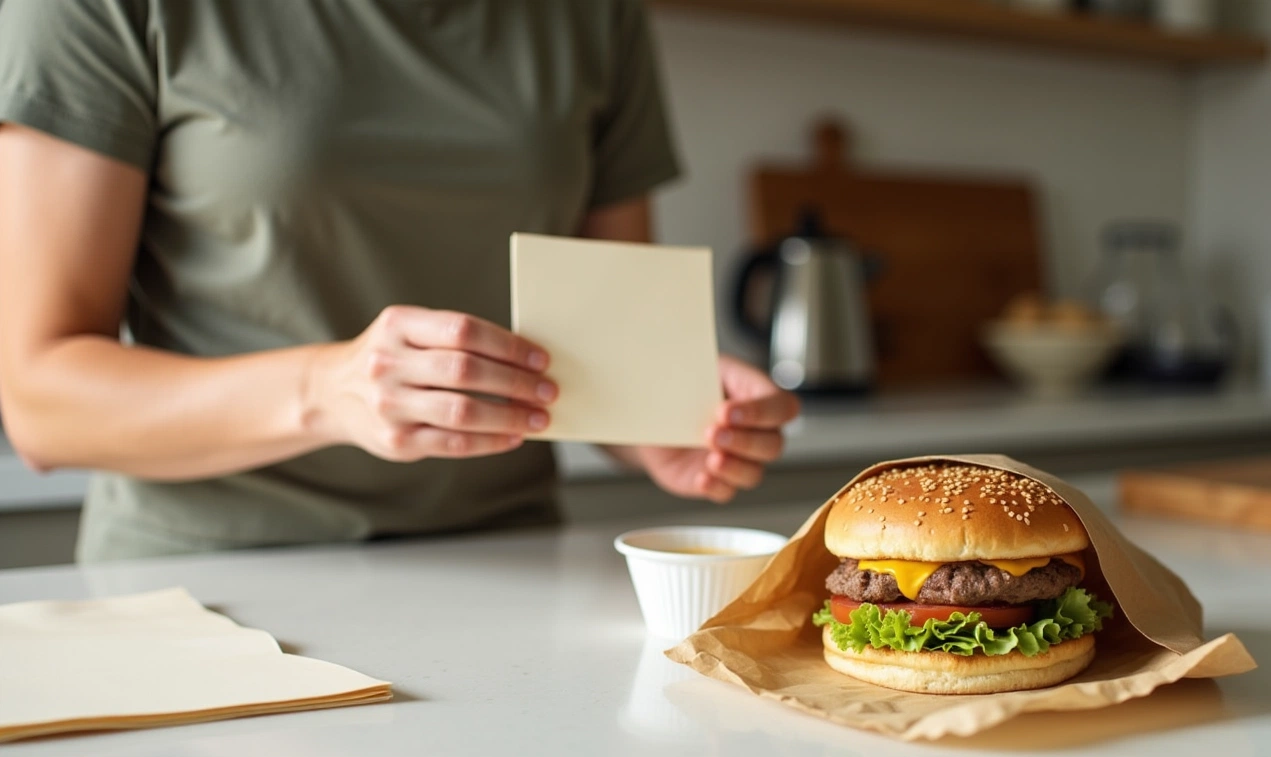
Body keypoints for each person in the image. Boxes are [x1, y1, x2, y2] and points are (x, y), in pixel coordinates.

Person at [0, 0, 799, 562]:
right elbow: (38, 399)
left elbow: (607, 337)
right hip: (207, 586)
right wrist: (325, 388)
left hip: (511, 568)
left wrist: (669, 415)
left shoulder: (594, 14)